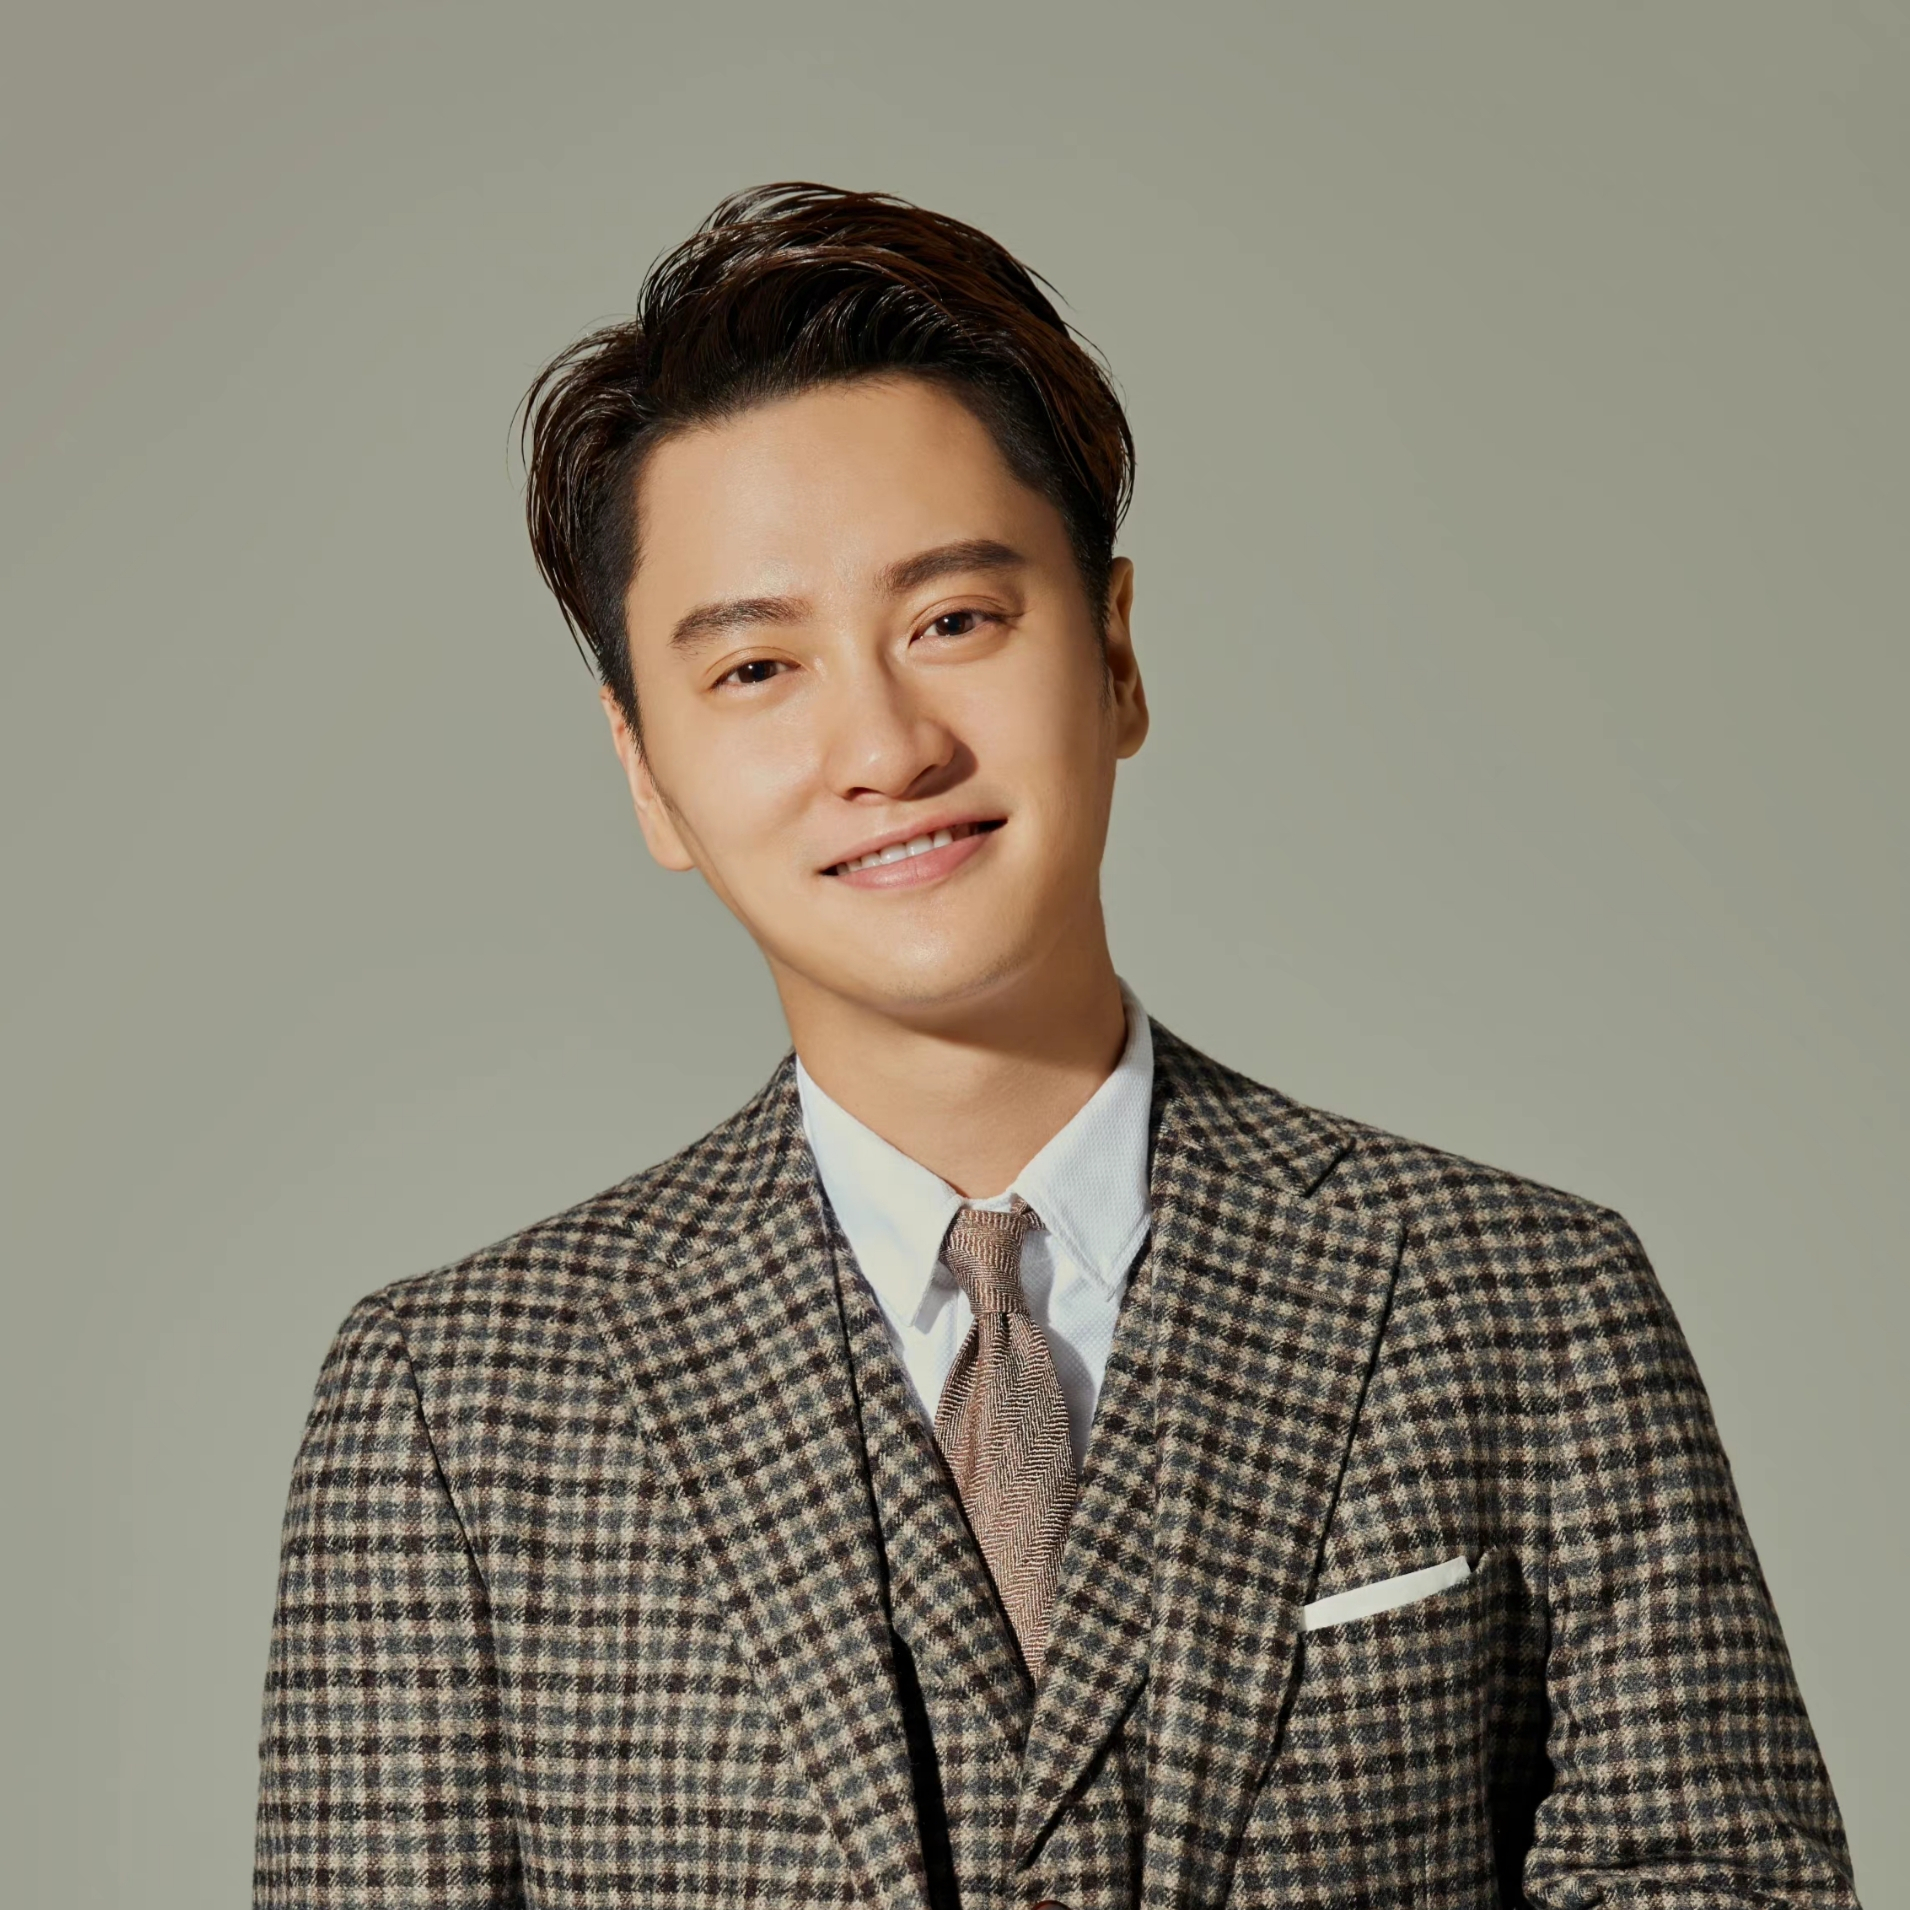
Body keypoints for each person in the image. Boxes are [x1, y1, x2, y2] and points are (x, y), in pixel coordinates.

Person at [253, 183, 1858, 1909]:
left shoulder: (1526, 1303)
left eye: (953, 620)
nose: (883, 746)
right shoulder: (454, 1409)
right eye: (757, 668)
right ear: (644, 769)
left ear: (1113, 652)